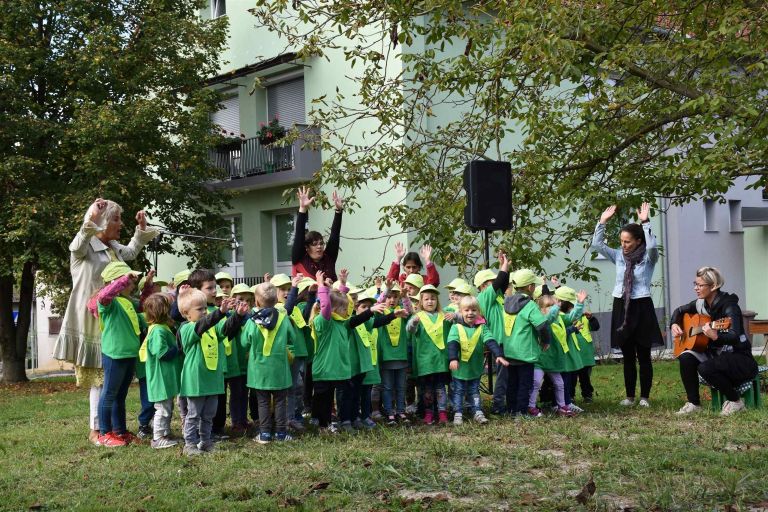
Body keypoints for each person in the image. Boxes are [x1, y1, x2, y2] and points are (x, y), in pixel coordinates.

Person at [53, 198, 158, 445]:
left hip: (113, 317)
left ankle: (116, 430)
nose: (121, 224)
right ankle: (98, 430)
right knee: (100, 377)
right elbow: (78, 243)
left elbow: (131, 252)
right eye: (116, 219)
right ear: (101, 222)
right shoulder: (85, 247)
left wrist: (141, 230)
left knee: (112, 378)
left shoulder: (113, 248)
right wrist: (91, 216)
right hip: (91, 318)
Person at [591, 203, 663, 407]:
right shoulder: (619, 256)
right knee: (628, 354)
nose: (623, 245)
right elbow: (597, 245)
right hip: (622, 306)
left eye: (627, 241)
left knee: (644, 355)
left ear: (638, 241)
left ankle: (645, 397)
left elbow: (652, 246)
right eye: (621, 241)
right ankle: (630, 396)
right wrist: (602, 222)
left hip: (641, 305)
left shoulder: (649, 258)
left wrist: (645, 222)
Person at [671, 267, 759, 416]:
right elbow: (679, 311)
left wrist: (716, 336)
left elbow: (735, 335)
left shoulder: (730, 306)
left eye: (700, 285)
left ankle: (736, 402)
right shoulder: (701, 304)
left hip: (739, 357)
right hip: (716, 353)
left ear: (713, 286)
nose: (695, 288)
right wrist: (674, 324)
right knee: (686, 357)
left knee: (705, 368)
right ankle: (694, 403)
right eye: (695, 284)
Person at [177, 289, 246, 456]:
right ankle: (190, 444)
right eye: (199, 309)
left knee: (209, 415)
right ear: (186, 313)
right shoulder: (187, 329)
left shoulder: (212, 328)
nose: (204, 312)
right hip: (196, 381)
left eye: (205, 308)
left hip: (213, 380)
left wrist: (237, 316)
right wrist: (220, 312)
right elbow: (203, 325)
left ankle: (206, 442)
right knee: (193, 415)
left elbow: (226, 330)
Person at [87, 262, 145, 447]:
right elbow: (105, 295)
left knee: (120, 395)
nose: (132, 284)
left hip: (129, 354)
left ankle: (120, 431)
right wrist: (123, 280)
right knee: (109, 394)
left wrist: (148, 286)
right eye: (129, 281)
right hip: (115, 355)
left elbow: (141, 313)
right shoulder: (107, 303)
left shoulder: (126, 302)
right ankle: (105, 433)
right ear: (117, 282)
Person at [241, 282, 296, 443]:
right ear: (276, 300)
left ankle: (264, 434)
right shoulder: (283, 319)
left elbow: (244, 342)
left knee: (263, 402)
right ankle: (281, 433)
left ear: (256, 302)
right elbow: (292, 337)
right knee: (280, 401)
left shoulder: (252, 321)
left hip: (259, 370)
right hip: (279, 368)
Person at [446, 295, 508, 425]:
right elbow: (452, 344)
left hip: (475, 369)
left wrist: (499, 354)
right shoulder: (456, 328)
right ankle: (458, 413)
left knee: (474, 391)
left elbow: (491, 341)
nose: (470, 313)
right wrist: (453, 359)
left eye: (474, 310)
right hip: (459, 369)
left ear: (478, 312)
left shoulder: (482, 328)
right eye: (467, 310)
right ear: (461, 312)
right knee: (458, 391)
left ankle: (477, 411)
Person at [503, 269, 552, 416]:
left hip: (509, 351)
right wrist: (546, 340)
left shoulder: (506, 303)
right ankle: (521, 412)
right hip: (526, 353)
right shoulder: (530, 305)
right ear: (530, 287)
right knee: (525, 384)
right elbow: (542, 325)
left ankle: (511, 410)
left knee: (512, 383)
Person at [406, 284, 452, 425]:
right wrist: (413, 323)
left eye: (433, 298)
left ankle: (442, 413)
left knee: (440, 388)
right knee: (427, 390)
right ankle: (428, 413)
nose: (430, 301)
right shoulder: (418, 317)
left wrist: (455, 317)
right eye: (426, 299)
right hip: (425, 361)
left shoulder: (443, 316)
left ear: (437, 300)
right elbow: (410, 330)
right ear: (421, 301)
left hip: (440, 360)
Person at [141, 293, 181, 449]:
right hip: (160, 378)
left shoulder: (161, 328)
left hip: (166, 377)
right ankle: (157, 438)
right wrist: (178, 348)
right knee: (162, 408)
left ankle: (165, 433)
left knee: (167, 407)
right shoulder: (158, 331)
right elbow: (162, 354)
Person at [291, 186, 344, 281]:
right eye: (314, 244)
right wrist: (302, 209)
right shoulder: (299, 258)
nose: (319, 246)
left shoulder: (329, 258)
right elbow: (299, 234)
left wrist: (338, 211)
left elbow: (335, 234)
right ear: (307, 247)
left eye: (321, 243)